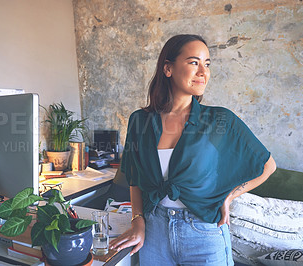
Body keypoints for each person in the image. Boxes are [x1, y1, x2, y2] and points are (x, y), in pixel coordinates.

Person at [109, 34, 276, 265]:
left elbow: (267, 166)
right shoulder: (140, 121)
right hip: (155, 231)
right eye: (193, 62)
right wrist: (138, 221)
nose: (203, 72)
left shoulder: (220, 121)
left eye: (207, 64)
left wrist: (229, 197)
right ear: (168, 69)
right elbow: (135, 179)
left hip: (204, 232)